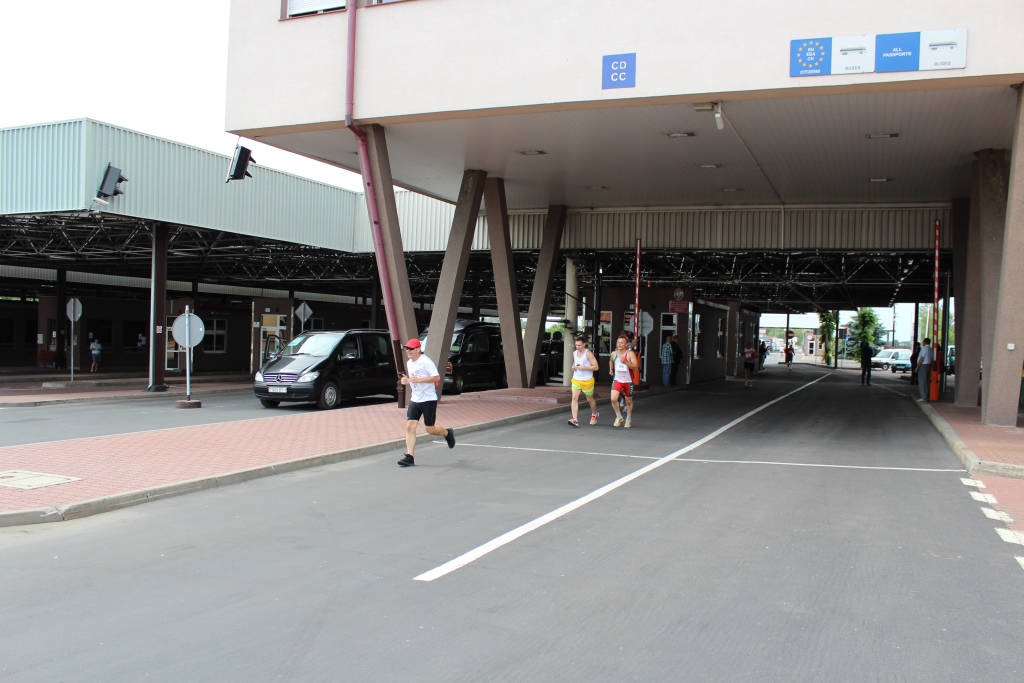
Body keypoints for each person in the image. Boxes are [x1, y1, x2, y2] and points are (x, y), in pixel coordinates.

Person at [397, 338, 455, 467]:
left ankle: (447, 433)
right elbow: (413, 379)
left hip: (428, 399)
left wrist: (418, 380)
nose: (408, 351)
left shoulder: (426, 362)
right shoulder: (409, 363)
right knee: (410, 427)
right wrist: (406, 381)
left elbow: (436, 377)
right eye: (407, 348)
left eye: (411, 349)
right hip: (415, 399)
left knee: (430, 429)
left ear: (418, 349)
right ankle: (409, 457)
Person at [609, 332, 639, 428]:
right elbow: (611, 360)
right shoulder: (614, 353)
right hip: (617, 379)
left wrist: (626, 362)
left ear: (626, 344)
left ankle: (628, 419)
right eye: (618, 342)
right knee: (613, 399)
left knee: (628, 401)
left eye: (622, 343)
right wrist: (611, 369)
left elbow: (635, 367)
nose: (619, 344)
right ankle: (619, 417)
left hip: (628, 380)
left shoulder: (630, 354)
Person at [568, 336, 600, 427]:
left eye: (579, 345)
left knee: (589, 399)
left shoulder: (588, 354)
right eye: (576, 345)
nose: (577, 347)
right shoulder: (574, 353)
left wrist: (584, 367)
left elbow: (596, 367)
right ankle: (575, 419)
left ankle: (594, 414)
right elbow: (575, 363)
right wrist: (573, 367)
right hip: (576, 379)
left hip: (587, 380)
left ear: (584, 344)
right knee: (574, 397)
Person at [917, 337, 934, 402]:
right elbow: (932, 358)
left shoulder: (924, 348)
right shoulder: (931, 349)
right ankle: (927, 395)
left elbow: (922, 358)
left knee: (922, 381)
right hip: (928, 365)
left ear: (924, 342)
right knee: (927, 381)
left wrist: (917, 367)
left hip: (923, 365)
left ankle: (923, 396)